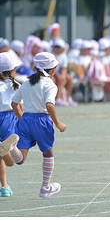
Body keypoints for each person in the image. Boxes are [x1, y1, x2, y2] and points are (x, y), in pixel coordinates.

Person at [6, 52, 66, 198]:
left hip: (25, 120)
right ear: (52, 70)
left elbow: (14, 103)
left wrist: (21, 119)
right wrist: (58, 123)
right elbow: (49, 105)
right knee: (48, 152)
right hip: (42, 120)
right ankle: (45, 187)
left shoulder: (26, 83)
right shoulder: (50, 85)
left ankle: (12, 148)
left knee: (20, 159)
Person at [0, 52, 23, 197]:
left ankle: (5, 186)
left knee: (2, 156)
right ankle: (5, 186)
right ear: (13, 70)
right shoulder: (17, 86)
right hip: (10, 119)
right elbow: (19, 108)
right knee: (11, 161)